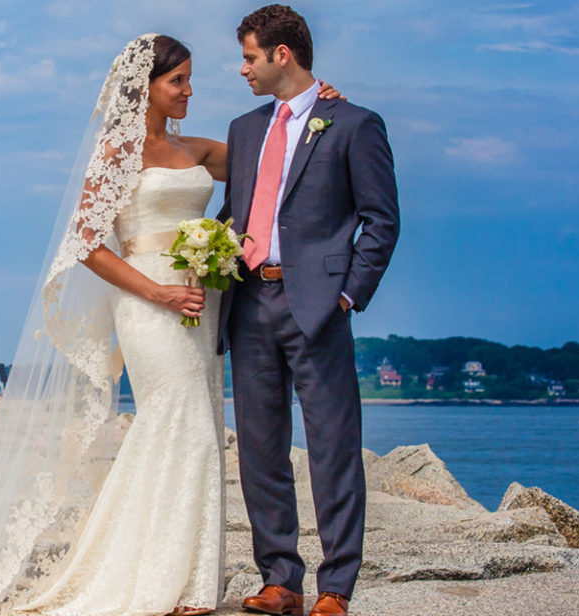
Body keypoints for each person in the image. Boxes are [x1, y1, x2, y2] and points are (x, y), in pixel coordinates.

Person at [0, 34, 343, 616]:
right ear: (145, 87)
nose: (189, 91)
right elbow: (86, 244)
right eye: (178, 81)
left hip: (200, 302)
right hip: (148, 298)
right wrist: (156, 292)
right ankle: (168, 578)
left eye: (190, 79)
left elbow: (281, 156)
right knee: (184, 422)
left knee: (196, 419)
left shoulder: (200, 150)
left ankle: (187, 579)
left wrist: (317, 103)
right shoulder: (115, 154)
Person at [217, 6, 400, 616]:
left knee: (333, 447)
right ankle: (281, 581)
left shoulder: (354, 124)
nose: (242, 69)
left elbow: (381, 220)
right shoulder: (244, 130)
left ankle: (336, 589)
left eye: (249, 57)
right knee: (260, 449)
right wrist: (204, 254)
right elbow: (236, 213)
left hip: (319, 307)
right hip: (249, 303)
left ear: (282, 55)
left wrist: (347, 295)